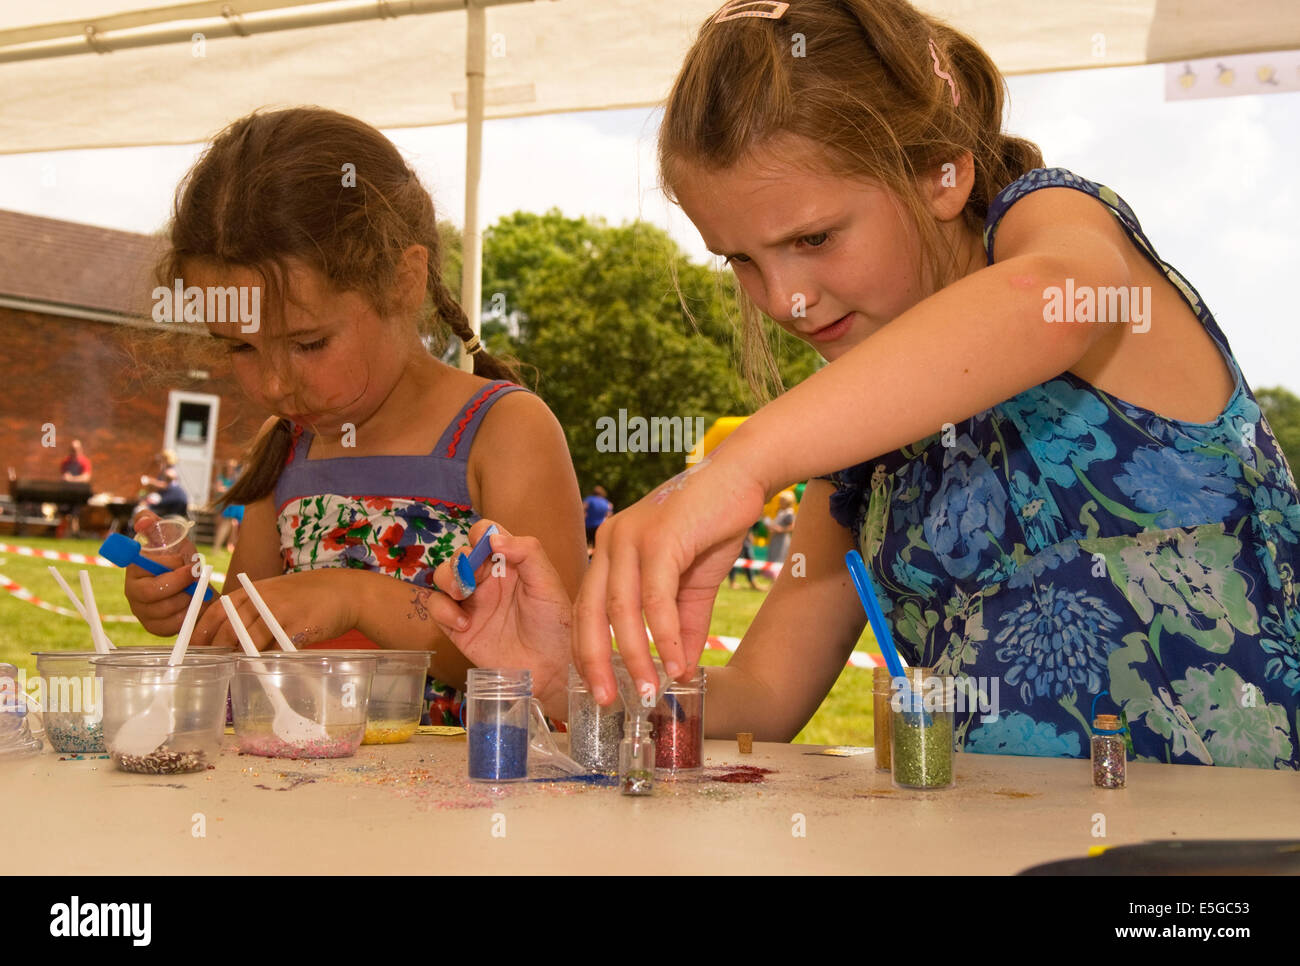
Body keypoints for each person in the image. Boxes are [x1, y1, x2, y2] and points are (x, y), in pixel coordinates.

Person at [560, 0, 1298, 768]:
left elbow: (1051, 303)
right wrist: (557, 673)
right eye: (740, 259)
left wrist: (744, 461)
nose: (783, 300)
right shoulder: (856, 439)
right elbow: (763, 692)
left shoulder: (1051, 222)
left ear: (942, 178)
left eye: (813, 238)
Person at [121, 107, 587, 723]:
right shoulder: (285, 445)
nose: (273, 383)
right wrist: (187, 609)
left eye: (309, 343)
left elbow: (554, 668)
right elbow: (251, 632)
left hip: (464, 803)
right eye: (240, 347)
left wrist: (355, 597)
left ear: (404, 281)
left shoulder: (502, 433)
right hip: (294, 798)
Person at [137, 450, 188, 519]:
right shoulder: (165, 470)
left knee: (147, 510)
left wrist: (149, 481)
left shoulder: (169, 471)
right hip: (171, 497)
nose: (160, 461)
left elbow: (166, 485)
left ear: (166, 459)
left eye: (162, 459)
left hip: (174, 498)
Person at [57, 439, 92, 536]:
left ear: (80, 450)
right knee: (62, 514)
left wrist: (71, 479)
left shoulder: (84, 462)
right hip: (66, 493)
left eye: (75, 449)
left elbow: (86, 477)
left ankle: (74, 536)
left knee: (74, 516)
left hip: (78, 494)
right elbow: (63, 476)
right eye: (72, 449)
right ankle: (62, 535)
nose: (73, 452)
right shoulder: (66, 462)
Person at [212, 458, 244, 553]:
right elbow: (218, 488)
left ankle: (230, 546)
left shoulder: (235, 476)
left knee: (234, 525)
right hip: (227, 504)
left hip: (234, 503)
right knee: (224, 525)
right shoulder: (227, 477)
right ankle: (217, 548)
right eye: (230, 467)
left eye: (233, 467)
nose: (231, 469)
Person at [727, 522, 766, 591]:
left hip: (746, 539)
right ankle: (732, 582)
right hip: (740, 539)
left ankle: (752, 582)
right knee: (736, 561)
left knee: (749, 560)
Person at [764, 491, 796, 566]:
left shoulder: (789, 514)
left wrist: (781, 529)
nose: (780, 502)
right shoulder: (781, 511)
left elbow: (792, 527)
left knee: (780, 556)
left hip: (782, 539)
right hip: (776, 538)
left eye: (782, 501)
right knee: (773, 554)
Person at [582, 484, 613, 550]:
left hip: (588, 526)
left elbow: (582, 509)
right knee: (596, 547)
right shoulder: (606, 502)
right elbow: (609, 514)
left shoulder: (589, 500)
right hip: (600, 527)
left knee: (585, 546)